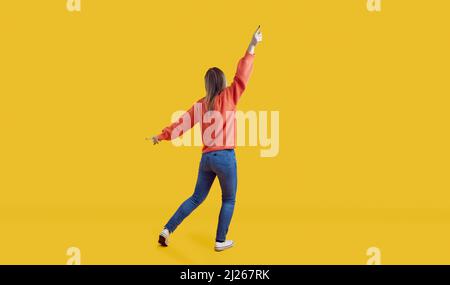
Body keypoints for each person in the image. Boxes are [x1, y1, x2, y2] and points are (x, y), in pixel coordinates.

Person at [147, 26, 262, 251]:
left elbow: (181, 125)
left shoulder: (201, 104)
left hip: (207, 159)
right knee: (229, 200)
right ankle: (220, 241)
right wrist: (252, 46)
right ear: (222, 81)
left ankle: (167, 229)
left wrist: (161, 136)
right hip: (226, 157)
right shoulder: (230, 94)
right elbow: (242, 75)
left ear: (207, 84)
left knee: (196, 198)